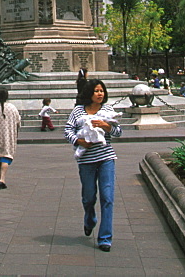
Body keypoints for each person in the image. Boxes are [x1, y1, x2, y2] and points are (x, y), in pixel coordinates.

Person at [64, 79, 121, 252]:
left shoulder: (108, 110)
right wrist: (79, 140)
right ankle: (90, 219)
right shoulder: (78, 111)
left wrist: (107, 127)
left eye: (102, 90)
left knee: (107, 197)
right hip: (86, 160)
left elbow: (119, 132)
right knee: (89, 197)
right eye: (96, 90)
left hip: (106, 158)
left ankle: (105, 238)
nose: (100, 93)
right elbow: (68, 130)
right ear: (89, 92)